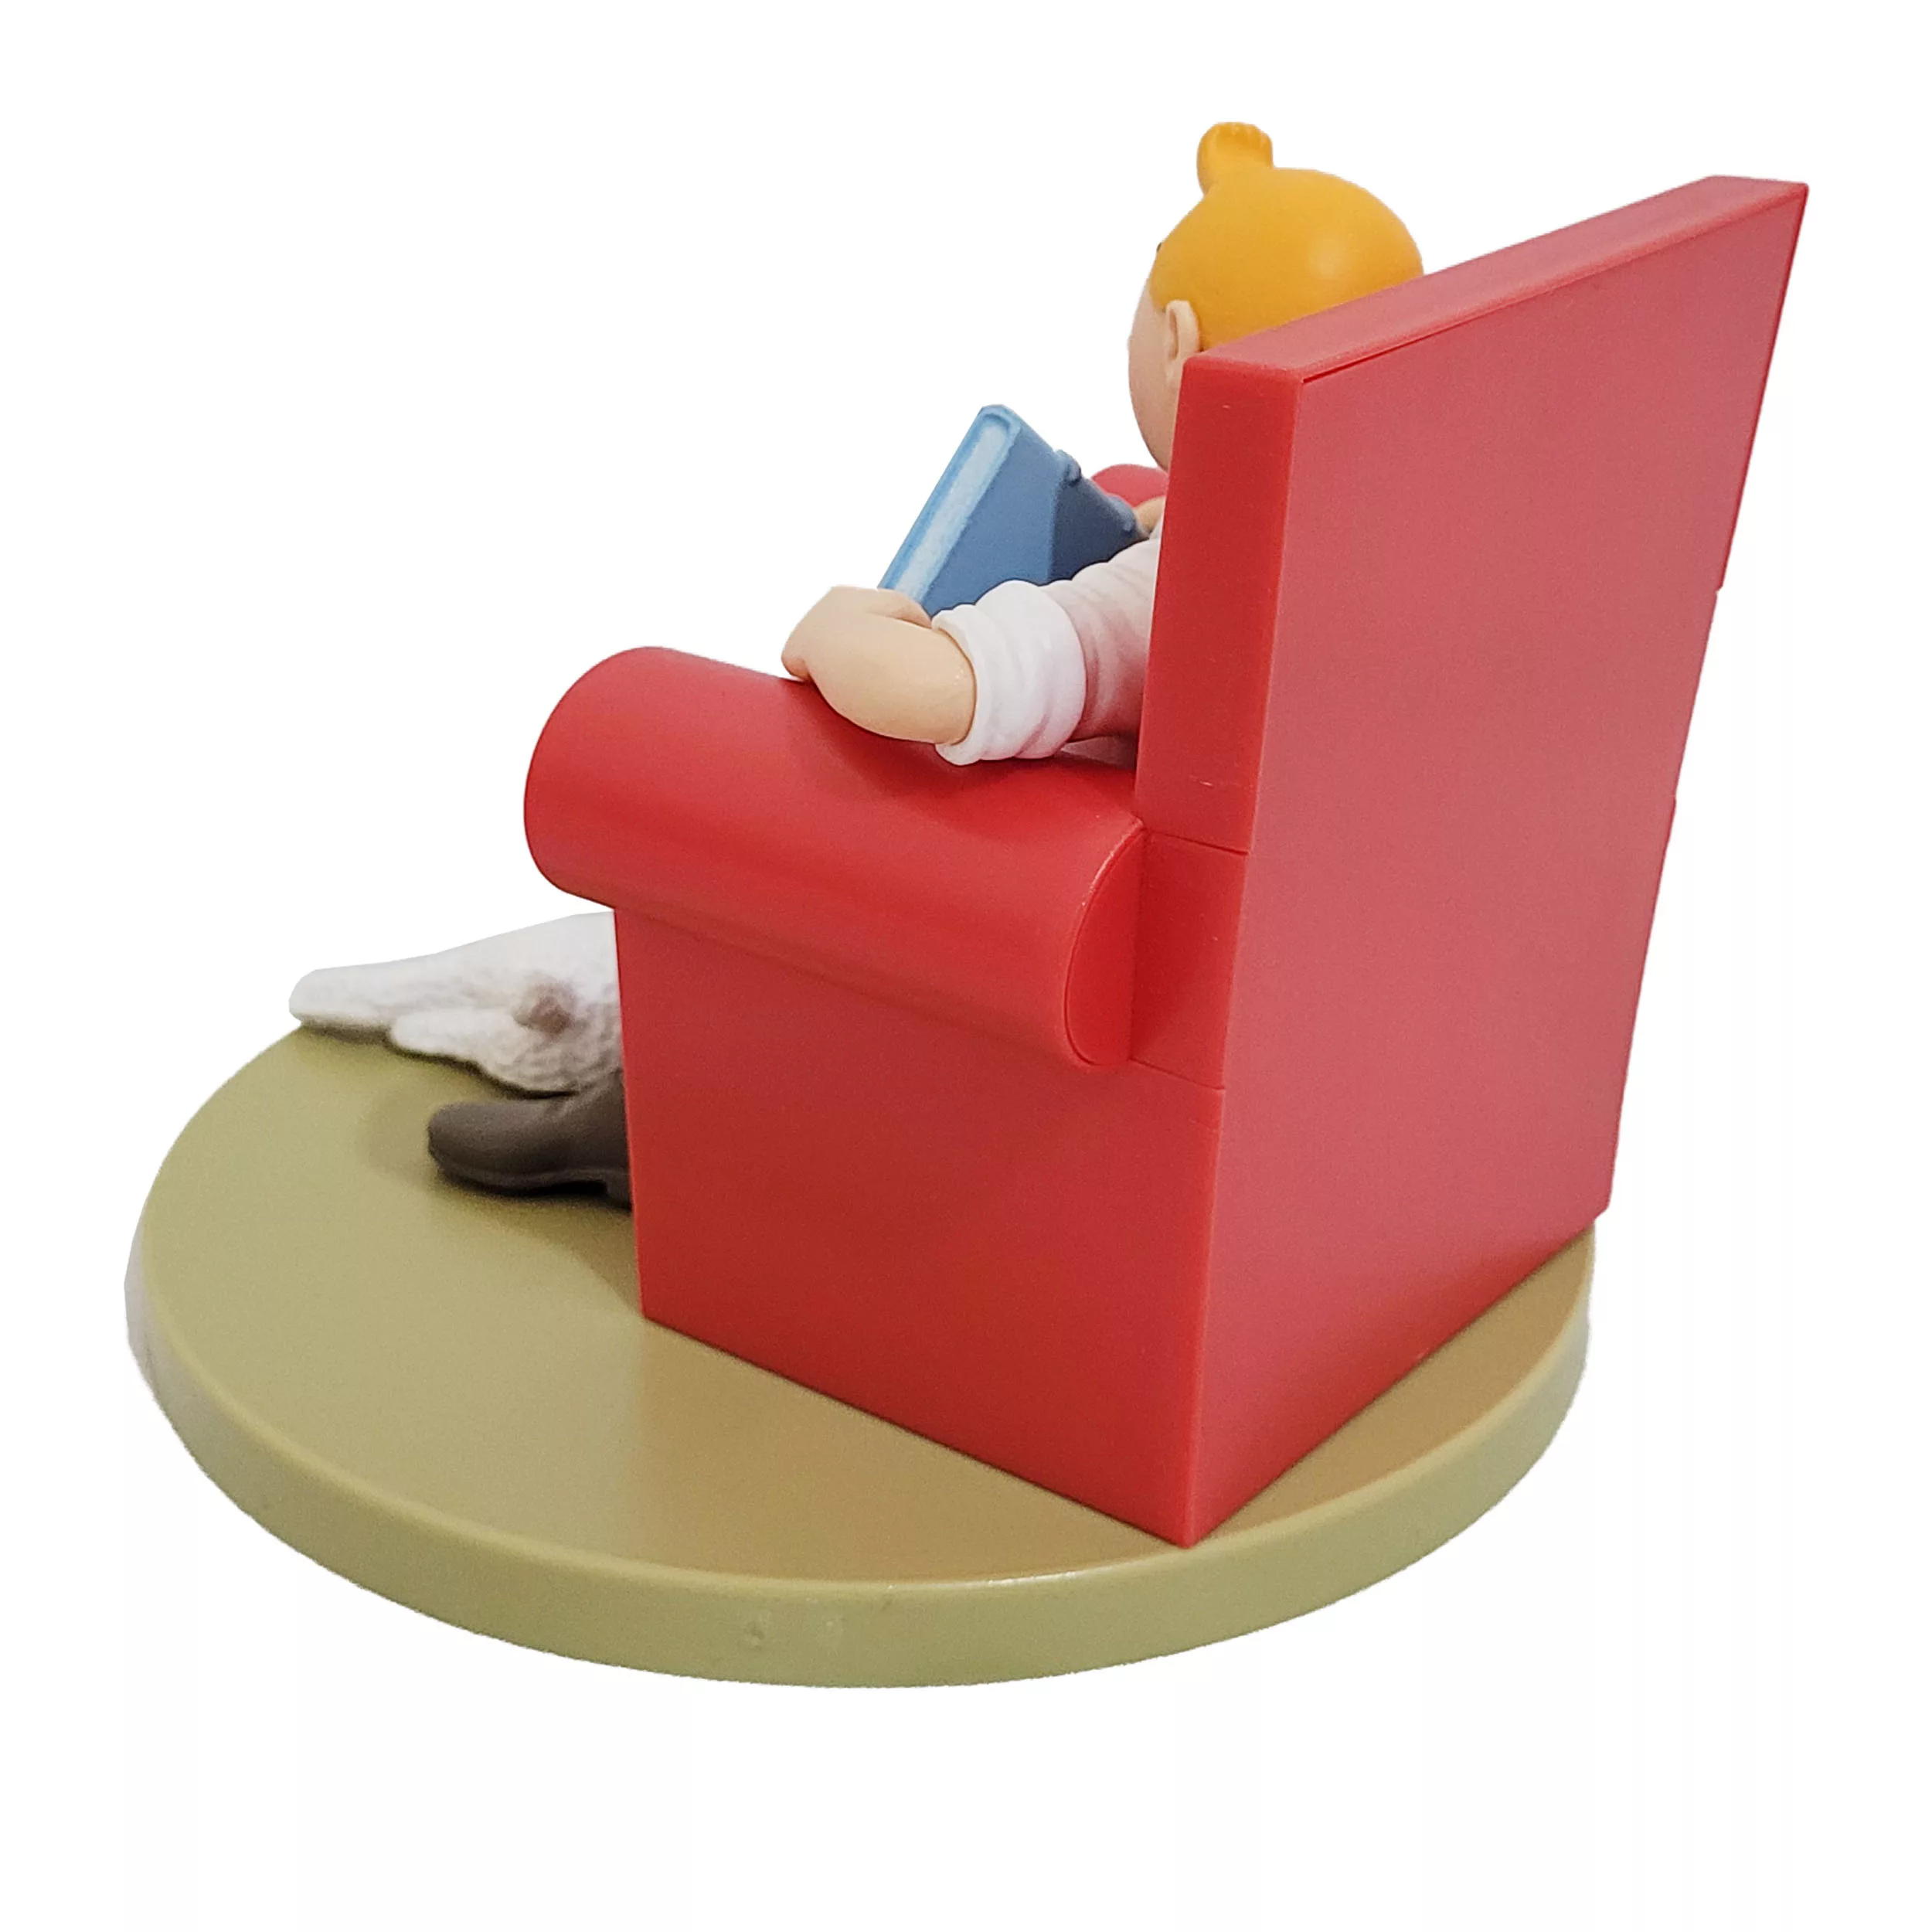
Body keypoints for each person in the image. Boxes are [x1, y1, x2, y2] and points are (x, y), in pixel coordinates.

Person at [291, 125, 1423, 1202]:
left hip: (1023, 940)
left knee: (762, 774)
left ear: (1176, 343)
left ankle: (653, 1113)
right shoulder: (1379, 559)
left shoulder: (1164, 595)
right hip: (1235, 992)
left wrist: (836, 633)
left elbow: (942, 691)